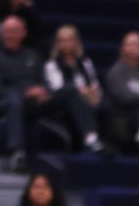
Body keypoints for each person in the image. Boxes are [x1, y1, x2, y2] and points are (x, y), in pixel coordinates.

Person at [0, 15, 45, 172]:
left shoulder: (32, 55)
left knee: (65, 93)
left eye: (14, 31)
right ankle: (16, 152)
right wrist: (25, 91)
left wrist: (43, 92)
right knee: (14, 100)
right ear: (2, 34)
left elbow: (43, 82)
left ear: (23, 33)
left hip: (32, 103)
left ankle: (83, 142)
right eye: (7, 31)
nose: (10, 35)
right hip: (2, 103)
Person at [42, 24, 104, 154]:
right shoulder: (51, 65)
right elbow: (57, 88)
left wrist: (91, 92)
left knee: (105, 104)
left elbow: (95, 86)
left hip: (86, 100)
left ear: (76, 42)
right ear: (57, 44)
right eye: (62, 40)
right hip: (59, 104)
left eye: (70, 39)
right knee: (71, 91)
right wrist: (80, 90)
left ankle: (103, 145)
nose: (66, 43)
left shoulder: (86, 64)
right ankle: (90, 137)